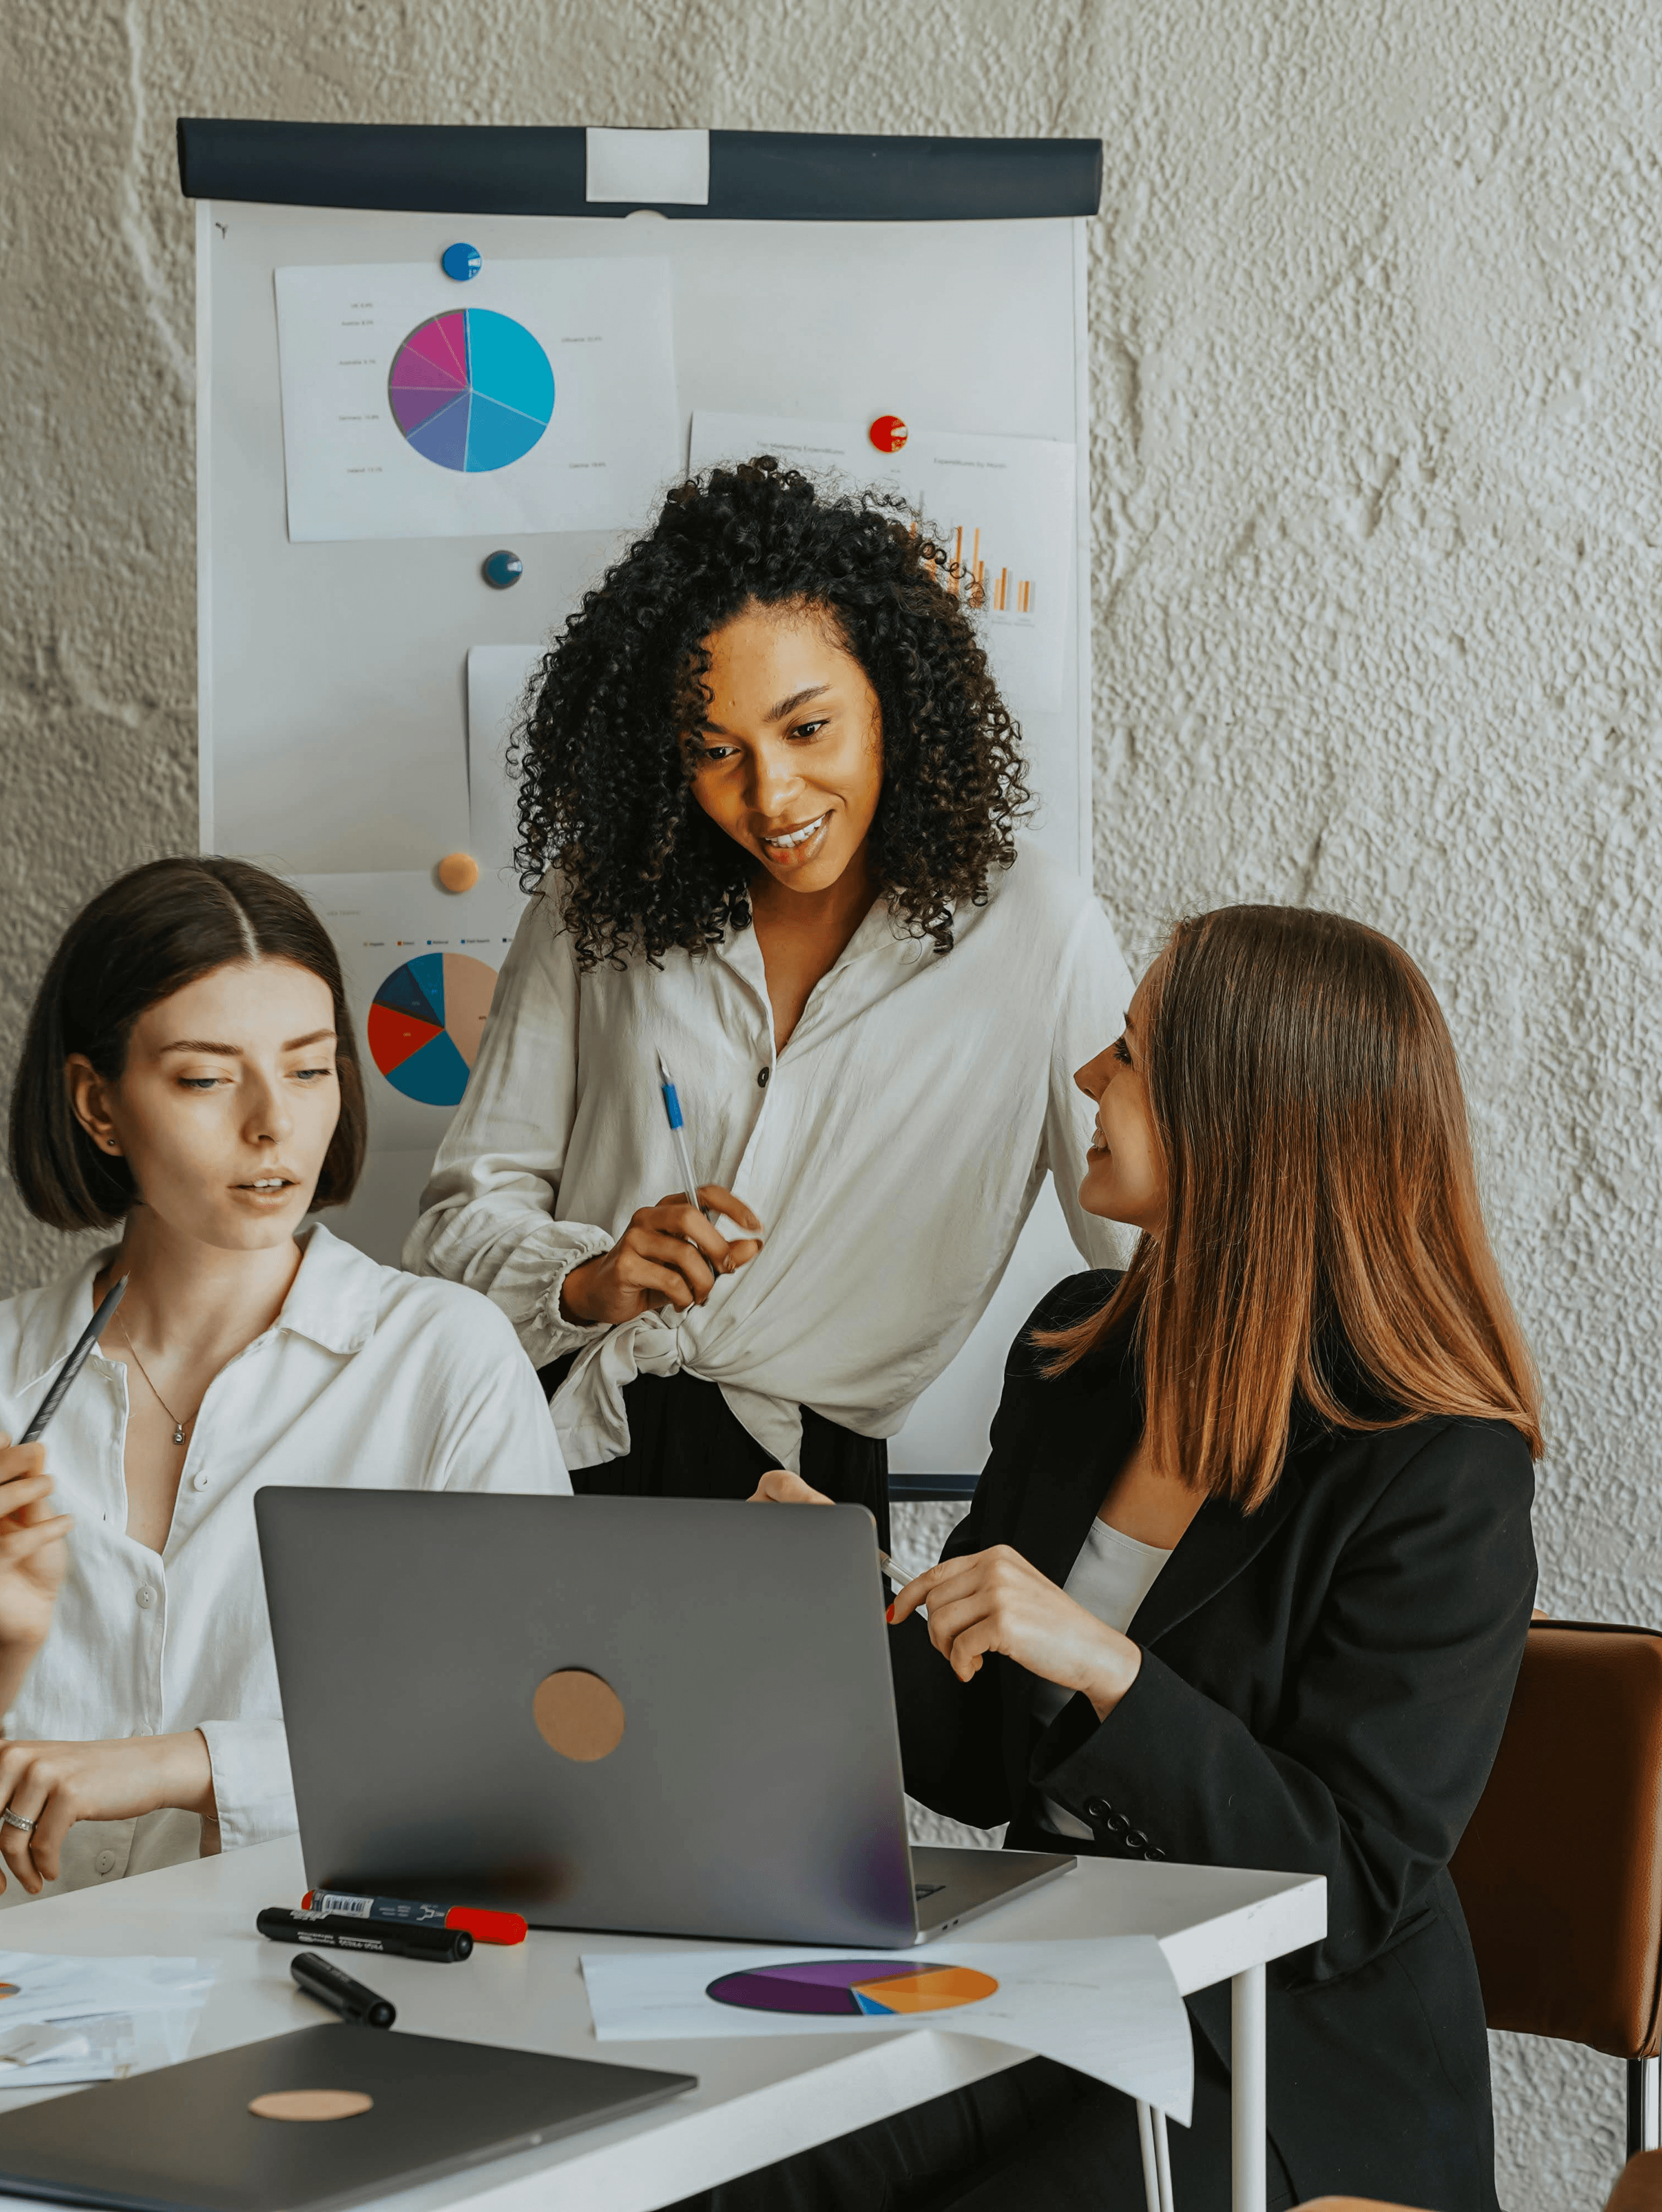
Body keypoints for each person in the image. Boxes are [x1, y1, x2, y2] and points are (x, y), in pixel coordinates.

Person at [729, 904, 1542, 2212]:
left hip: (1281, 2043)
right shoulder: (1074, 1355)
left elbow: (1344, 1888)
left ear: (1248, 1119)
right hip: (1051, 1969)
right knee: (735, 2171)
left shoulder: (1436, 1464)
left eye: (1130, 1053)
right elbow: (979, 1763)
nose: (1086, 1078)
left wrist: (1108, 1666)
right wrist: (837, 1595)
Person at [407, 458, 1133, 1537]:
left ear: (894, 695)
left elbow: (1155, 1249)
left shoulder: (1035, 928)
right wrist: (590, 1278)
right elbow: (453, 1227)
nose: (770, 796)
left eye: (806, 729)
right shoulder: (598, 903)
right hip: (555, 1438)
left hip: (806, 1477)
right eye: (714, 751)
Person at [0, 857, 570, 1903]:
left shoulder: (443, 1362)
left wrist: (194, 1763)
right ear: (97, 1107)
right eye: (207, 1078)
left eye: (310, 1070)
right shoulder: (6, 1382)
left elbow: (534, 1742)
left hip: (323, 2004)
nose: (273, 1124)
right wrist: (7, 1652)